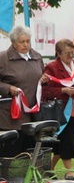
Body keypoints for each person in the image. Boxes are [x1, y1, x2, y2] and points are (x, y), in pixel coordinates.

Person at [41, 38, 74, 179]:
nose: (70, 56)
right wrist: (63, 90)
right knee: (66, 142)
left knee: (63, 143)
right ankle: (69, 172)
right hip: (61, 111)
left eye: (72, 53)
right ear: (58, 53)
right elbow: (46, 91)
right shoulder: (52, 67)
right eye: (67, 53)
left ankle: (48, 168)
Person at [0, 25, 46, 156]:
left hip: (32, 114)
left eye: (28, 41)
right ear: (13, 43)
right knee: (12, 155)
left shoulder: (36, 57)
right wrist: (8, 88)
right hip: (10, 116)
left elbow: (39, 75)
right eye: (22, 42)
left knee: (30, 155)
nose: (26, 45)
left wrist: (43, 79)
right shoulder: (3, 58)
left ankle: (28, 177)